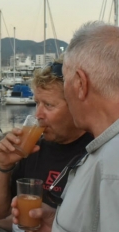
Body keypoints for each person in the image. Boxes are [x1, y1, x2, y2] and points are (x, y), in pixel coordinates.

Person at [23, 21, 119, 231]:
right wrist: (57, 222)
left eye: (65, 80)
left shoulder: (112, 164)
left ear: (80, 84)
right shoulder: (104, 149)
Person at [0, 58, 93, 231]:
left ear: (76, 105)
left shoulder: (96, 153)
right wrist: (3, 166)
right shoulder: (32, 148)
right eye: (37, 103)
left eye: (49, 105)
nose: (38, 115)